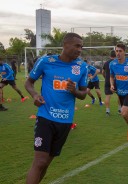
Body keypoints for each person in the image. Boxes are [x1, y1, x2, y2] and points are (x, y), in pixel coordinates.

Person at [24, 32, 88, 184]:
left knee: (46, 163)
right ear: (65, 45)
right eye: (77, 46)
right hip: (46, 117)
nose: (80, 50)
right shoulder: (46, 61)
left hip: (65, 121)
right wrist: (34, 95)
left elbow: (84, 93)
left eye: (81, 47)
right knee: (39, 162)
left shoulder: (82, 67)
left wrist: (75, 91)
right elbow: (29, 83)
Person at [102, 50, 121, 115]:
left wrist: (106, 78)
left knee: (108, 96)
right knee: (120, 96)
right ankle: (119, 110)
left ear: (109, 55)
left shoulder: (106, 63)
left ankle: (107, 111)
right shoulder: (117, 62)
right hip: (117, 81)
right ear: (115, 55)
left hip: (108, 81)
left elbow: (103, 72)